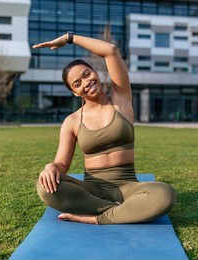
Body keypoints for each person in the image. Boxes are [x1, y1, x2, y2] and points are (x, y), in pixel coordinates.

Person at [33, 32, 176, 225]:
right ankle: (119, 210)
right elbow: (61, 165)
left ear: (96, 73)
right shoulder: (72, 121)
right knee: (45, 187)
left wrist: (69, 38)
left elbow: (110, 51)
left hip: (128, 188)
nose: (86, 82)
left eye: (87, 74)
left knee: (165, 194)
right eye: (77, 83)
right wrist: (50, 167)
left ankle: (100, 217)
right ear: (74, 92)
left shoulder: (121, 100)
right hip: (92, 190)